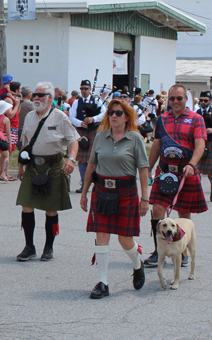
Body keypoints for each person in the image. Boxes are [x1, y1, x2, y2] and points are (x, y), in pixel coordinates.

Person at [80, 99, 149, 299]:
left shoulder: (135, 138)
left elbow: (143, 170)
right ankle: (103, 282)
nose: (114, 116)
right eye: (111, 112)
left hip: (126, 192)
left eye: (118, 113)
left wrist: (145, 198)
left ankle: (137, 264)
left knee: (125, 240)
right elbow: (91, 166)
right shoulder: (100, 137)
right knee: (101, 235)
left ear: (127, 117)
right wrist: (85, 193)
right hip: (102, 191)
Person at [144, 84, 208, 268]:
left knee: (183, 215)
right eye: (172, 99)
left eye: (179, 98)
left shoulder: (196, 119)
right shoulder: (163, 119)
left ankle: (182, 251)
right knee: (157, 210)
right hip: (165, 171)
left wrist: (192, 164)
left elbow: (200, 145)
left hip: (186, 171)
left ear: (186, 99)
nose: (175, 102)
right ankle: (159, 251)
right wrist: (149, 167)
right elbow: (156, 145)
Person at [16, 82, 79, 261]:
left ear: (50, 98)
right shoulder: (29, 116)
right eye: (34, 95)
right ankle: (29, 247)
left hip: (54, 166)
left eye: (40, 95)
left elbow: (73, 141)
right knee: (26, 205)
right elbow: (26, 143)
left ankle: (49, 247)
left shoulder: (60, 117)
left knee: (51, 209)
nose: (36, 98)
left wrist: (71, 159)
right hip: (33, 166)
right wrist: (21, 165)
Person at [70, 79, 107, 193]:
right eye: (81, 88)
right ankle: (84, 183)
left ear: (90, 89)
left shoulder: (97, 100)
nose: (83, 91)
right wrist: (80, 123)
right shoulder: (77, 102)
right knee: (81, 160)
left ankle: (96, 184)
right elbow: (72, 117)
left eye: (86, 88)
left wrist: (93, 119)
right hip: (82, 133)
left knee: (95, 159)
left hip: (94, 131)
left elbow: (105, 113)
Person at [196, 91, 212, 200]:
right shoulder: (197, 112)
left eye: (205, 100)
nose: (203, 102)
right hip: (199, 143)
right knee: (196, 170)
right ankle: (197, 193)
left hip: (211, 143)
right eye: (201, 100)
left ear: (210, 101)